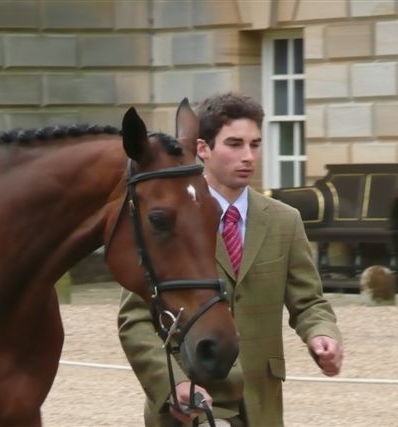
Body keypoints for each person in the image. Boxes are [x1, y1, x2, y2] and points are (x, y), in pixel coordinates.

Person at [118, 92, 344, 427]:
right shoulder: (168, 221)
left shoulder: (285, 221)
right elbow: (134, 321)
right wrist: (173, 384)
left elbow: (308, 300)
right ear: (203, 149)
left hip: (261, 404)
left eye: (255, 144)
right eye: (235, 144)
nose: (248, 156)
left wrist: (322, 334)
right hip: (191, 405)